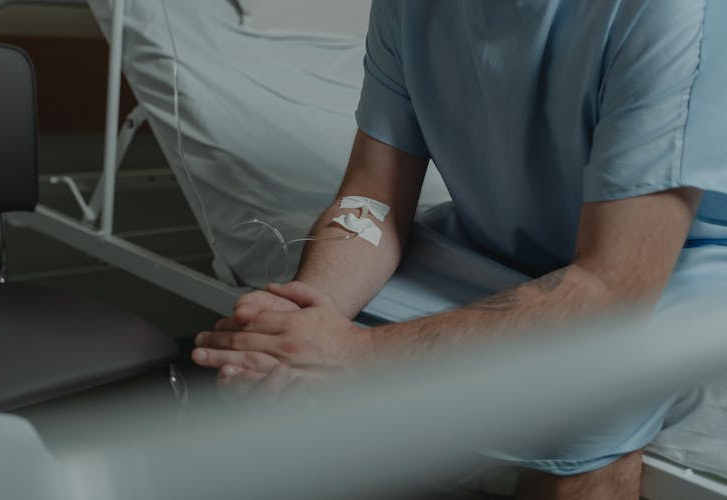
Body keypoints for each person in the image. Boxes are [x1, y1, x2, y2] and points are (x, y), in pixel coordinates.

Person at [191, 1, 727, 498]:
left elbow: (613, 290)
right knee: (267, 345)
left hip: (673, 263)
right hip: (494, 245)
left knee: (589, 397)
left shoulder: (668, 13)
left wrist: (352, 355)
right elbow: (371, 200)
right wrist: (309, 317)